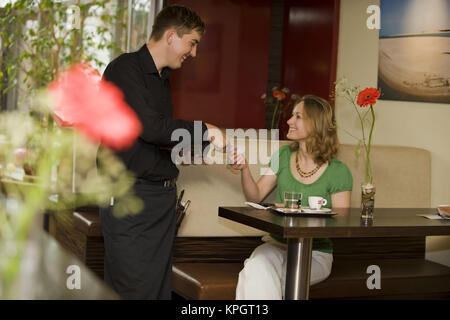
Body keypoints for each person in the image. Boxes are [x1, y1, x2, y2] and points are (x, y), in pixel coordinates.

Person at [98, 5, 226, 300]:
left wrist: (207, 149)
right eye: (192, 43)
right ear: (171, 36)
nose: (193, 53)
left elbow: (158, 140)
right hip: (130, 199)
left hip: (159, 201)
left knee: (156, 292)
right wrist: (206, 130)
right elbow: (152, 128)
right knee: (133, 291)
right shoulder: (124, 70)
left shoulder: (162, 78)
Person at [230, 94, 353, 300]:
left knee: (262, 277)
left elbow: (341, 224)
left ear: (315, 123)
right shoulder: (283, 156)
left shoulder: (339, 172)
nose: (289, 121)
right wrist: (244, 170)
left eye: (297, 116)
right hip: (277, 245)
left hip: (316, 254)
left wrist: (300, 215)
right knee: (258, 267)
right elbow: (256, 196)